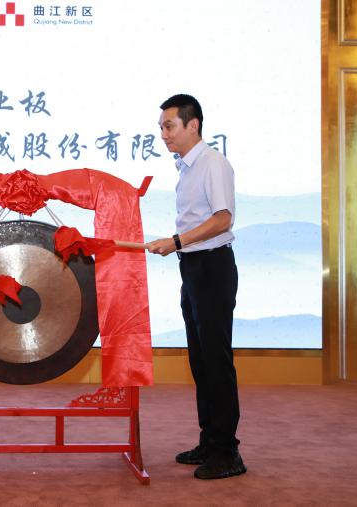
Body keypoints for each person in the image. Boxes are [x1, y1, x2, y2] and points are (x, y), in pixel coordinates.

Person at [147, 94, 246, 480]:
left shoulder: (212, 163)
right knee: (200, 360)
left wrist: (175, 241)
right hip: (193, 268)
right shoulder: (186, 168)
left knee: (216, 360)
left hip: (212, 267)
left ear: (193, 125)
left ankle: (228, 452)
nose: (164, 134)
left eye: (169, 126)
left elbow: (222, 219)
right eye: (161, 127)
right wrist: (179, 250)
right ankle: (210, 440)